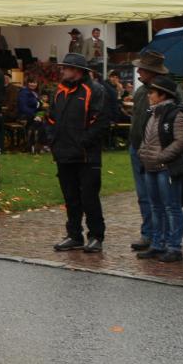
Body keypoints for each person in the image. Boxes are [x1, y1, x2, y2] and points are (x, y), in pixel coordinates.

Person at [46, 53, 108, 253]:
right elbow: (51, 118)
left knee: (89, 197)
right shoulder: (59, 91)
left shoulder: (94, 90)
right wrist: (52, 139)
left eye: (66, 68)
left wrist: (84, 141)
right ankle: (74, 235)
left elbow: (101, 121)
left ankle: (96, 236)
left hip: (86, 155)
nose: (62, 71)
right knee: (70, 198)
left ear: (77, 71)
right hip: (64, 153)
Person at [139, 74, 183, 263]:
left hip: (166, 168)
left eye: (152, 92)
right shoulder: (152, 113)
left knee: (171, 207)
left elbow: (182, 141)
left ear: (163, 95)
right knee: (156, 207)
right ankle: (157, 244)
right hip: (150, 167)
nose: (149, 95)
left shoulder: (176, 114)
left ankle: (174, 247)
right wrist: (143, 152)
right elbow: (146, 138)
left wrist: (162, 156)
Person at [128, 52, 169, 253]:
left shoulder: (168, 92)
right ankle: (148, 233)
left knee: (159, 197)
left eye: (142, 69)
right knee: (143, 195)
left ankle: (162, 236)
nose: (138, 72)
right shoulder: (140, 92)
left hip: (156, 152)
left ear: (152, 72)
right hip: (137, 149)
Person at [17, 78, 45, 153]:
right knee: (37, 124)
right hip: (25, 115)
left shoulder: (35, 93)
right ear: (27, 83)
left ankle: (39, 145)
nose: (33, 84)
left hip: (35, 115)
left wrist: (40, 115)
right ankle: (31, 145)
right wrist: (34, 116)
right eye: (31, 82)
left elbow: (39, 107)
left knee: (45, 123)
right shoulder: (24, 92)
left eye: (35, 82)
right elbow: (23, 107)